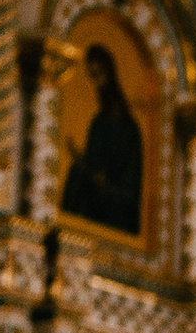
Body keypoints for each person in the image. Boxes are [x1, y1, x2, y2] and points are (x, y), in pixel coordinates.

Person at [60, 42, 146, 235]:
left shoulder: (129, 128)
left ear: (110, 73)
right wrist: (83, 163)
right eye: (92, 76)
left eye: (99, 74)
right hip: (97, 195)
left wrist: (104, 180)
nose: (97, 82)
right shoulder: (98, 122)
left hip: (118, 201)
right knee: (76, 172)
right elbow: (92, 164)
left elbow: (127, 180)